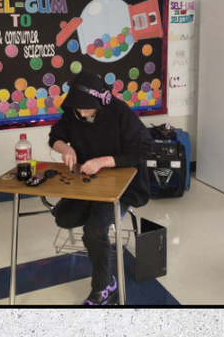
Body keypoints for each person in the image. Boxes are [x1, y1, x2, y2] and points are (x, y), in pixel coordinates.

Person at [48, 70, 153, 306]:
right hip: (89, 183)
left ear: (99, 101)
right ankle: (98, 225)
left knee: (94, 231)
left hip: (123, 185)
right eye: (78, 109)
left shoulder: (119, 112)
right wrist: (66, 149)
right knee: (63, 218)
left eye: (87, 109)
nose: (82, 114)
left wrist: (103, 161)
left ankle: (105, 286)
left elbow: (143, 149)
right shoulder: (75, 112)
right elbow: (55, 135)